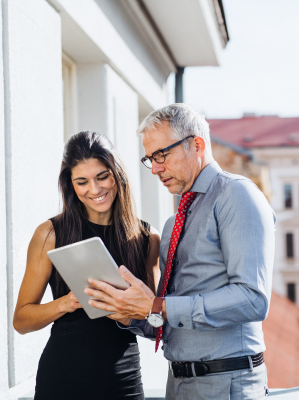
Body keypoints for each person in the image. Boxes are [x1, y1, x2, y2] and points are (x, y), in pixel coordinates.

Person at [85, 104, 275, 399]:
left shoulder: (236, 195)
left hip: (226, 383)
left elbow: (252, 300)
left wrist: (158, 306)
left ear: (197, 145)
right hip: (179, 384)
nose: (156, 168)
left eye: (162, 155)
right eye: (150, 159)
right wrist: (131, 313)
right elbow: (167, 320)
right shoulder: (174, 222)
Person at [13, 131, 160, 400]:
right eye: (82, 182)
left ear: (117, 174)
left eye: (102, 177)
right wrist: (66, 303)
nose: (94, 190)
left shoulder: (147, 239)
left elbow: (157, 324)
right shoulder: (49, 234)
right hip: (62, 379)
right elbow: (21, 320)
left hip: (124, 382)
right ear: (70, 185)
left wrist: (129, 314)